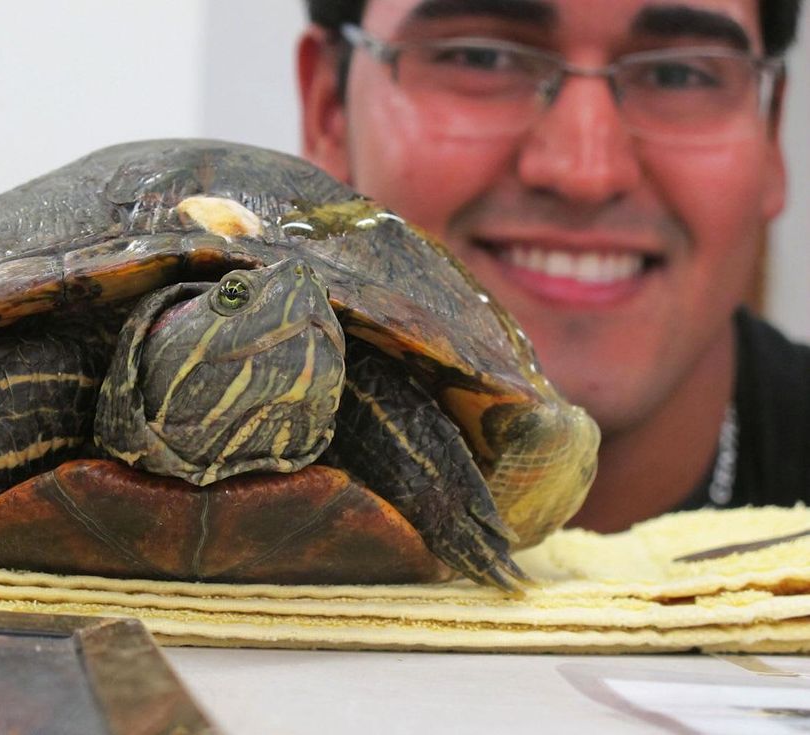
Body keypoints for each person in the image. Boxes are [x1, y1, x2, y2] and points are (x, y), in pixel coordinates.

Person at [296, 0, 809, 533]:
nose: (586, 173)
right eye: (481, 58)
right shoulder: (207, 478)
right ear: (328, 108)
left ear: (773, 132)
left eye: (676, 74)